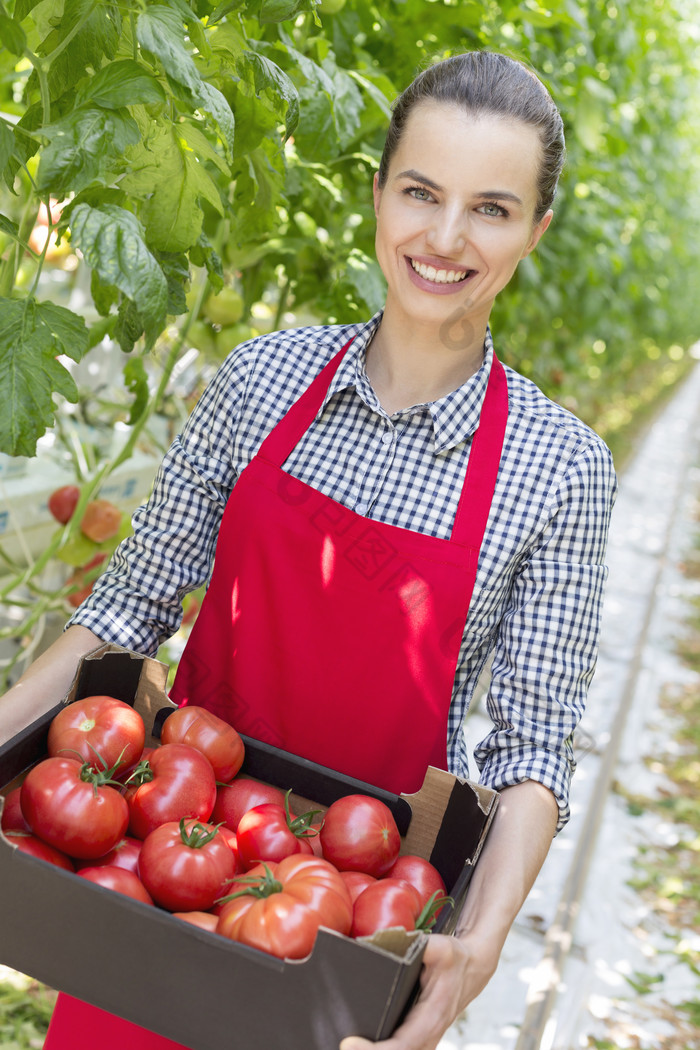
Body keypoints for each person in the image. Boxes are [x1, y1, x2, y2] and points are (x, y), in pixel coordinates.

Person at [0, 49, 616, 1050]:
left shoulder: (558, 469)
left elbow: (532, 754)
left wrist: (482, 940)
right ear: (376, 194)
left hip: (350, 929)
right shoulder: (260, 381)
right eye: (420, 192)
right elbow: (122, 616)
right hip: (163, 870)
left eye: (491, 209)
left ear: (536, 230)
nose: (444, 237)